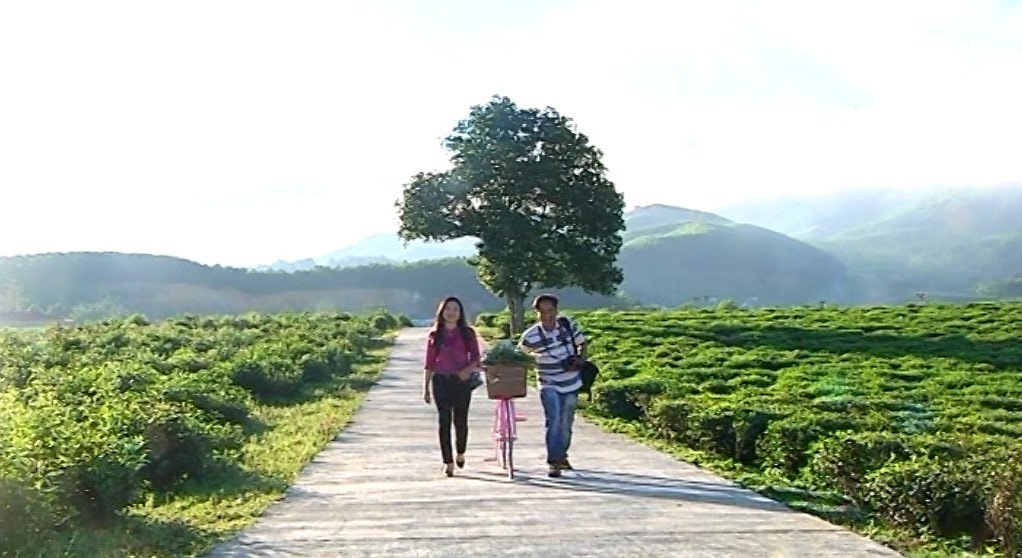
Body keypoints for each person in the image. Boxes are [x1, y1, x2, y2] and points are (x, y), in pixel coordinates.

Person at [518, 293, 587, 478]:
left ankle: (561, 455)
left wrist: (580, 360)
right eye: (542, 311)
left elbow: (583, 343)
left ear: (556, 310)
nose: (547, 315)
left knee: (566, 422)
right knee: (554, 420)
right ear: (536, 313)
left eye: (550, 311)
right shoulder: (530, 336)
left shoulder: (567, 326)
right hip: (548, 382)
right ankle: (554, 462)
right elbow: (521, 355)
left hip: (571, 381)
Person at [422, 296, 481, 477]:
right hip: (440, 381)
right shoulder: (435, 334)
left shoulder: (467, 333)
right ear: (442, 311)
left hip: (461, 381)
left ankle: (460, 452)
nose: (451, 312)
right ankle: (447, 462)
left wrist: (467, 370)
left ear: (460, 313)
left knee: (461, 420)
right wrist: (425, 388)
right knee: (444, 421)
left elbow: (477, 357)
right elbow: (429, 363)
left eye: (455, 309)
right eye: (448, 309)